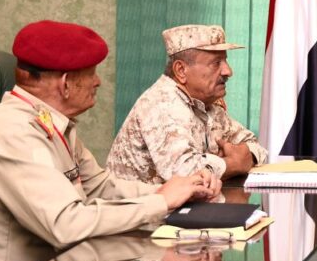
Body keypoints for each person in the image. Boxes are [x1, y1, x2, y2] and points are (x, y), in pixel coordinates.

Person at [0, 20, 219, 261]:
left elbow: (101, 187)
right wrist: (160, 202)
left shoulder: (50, 122)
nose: (98, 82)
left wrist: (175, 191)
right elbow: (66, 225)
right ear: (66, 83)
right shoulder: (14, 131)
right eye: (91, 74)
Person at [108, 24, 267, 183]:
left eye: (225, 61)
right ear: (181, 70)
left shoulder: (206, 104)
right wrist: (233, 164)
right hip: (141, 199)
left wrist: (247, 156)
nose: (228, 71)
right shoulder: (161, 104)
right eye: (216, 63)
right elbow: (183, 172)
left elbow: (254, 145)